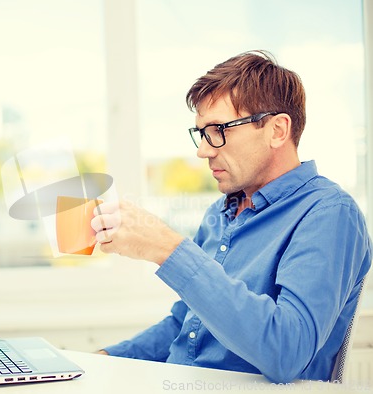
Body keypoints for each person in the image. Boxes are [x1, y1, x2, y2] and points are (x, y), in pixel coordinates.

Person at [90, 50, 372, 384]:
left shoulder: (328, 213)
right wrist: (102, 360)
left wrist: (168, 249)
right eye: (201, 133)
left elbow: (287, 352)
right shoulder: (221, 213)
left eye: (219, 129)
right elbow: (186, 327)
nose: (203, 150)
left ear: (278, 130)